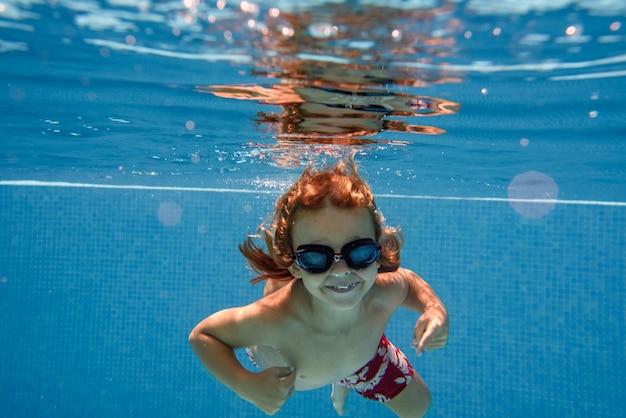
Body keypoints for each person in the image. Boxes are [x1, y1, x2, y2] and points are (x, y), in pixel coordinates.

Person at [189, 157, 449, 417]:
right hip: (285, 350)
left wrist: (435, 310)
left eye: (359, 252)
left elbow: (409, 281)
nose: (341, 269)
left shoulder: (382, 292)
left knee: (418, 406)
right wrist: (245, 384)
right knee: (280, 285)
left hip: (362, 355)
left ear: (377, 250)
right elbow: (204, 336)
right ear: (295, 264)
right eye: (315, 257)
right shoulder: (275, 319)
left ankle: (344, 377)